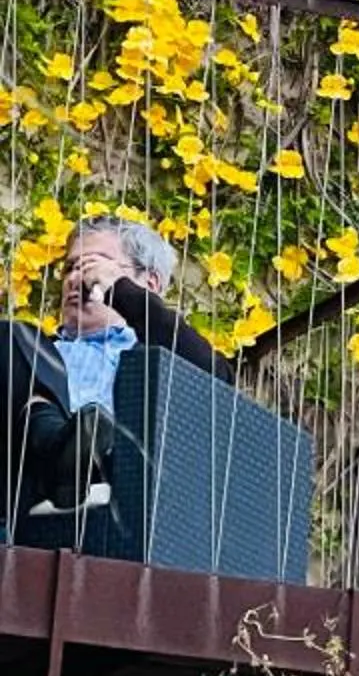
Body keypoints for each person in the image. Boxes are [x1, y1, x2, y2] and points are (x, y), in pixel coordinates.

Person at [4, 214, 228, 525]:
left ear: (149, 284)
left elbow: (216, 379)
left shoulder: (158, 355)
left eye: (94, 265)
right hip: (20, 486)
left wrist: (118, 290)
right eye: (70, 268)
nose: (74, 278)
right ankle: (61, 457)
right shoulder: (29, 350)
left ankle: (74, 460)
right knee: (11, 336)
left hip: (124, 488)